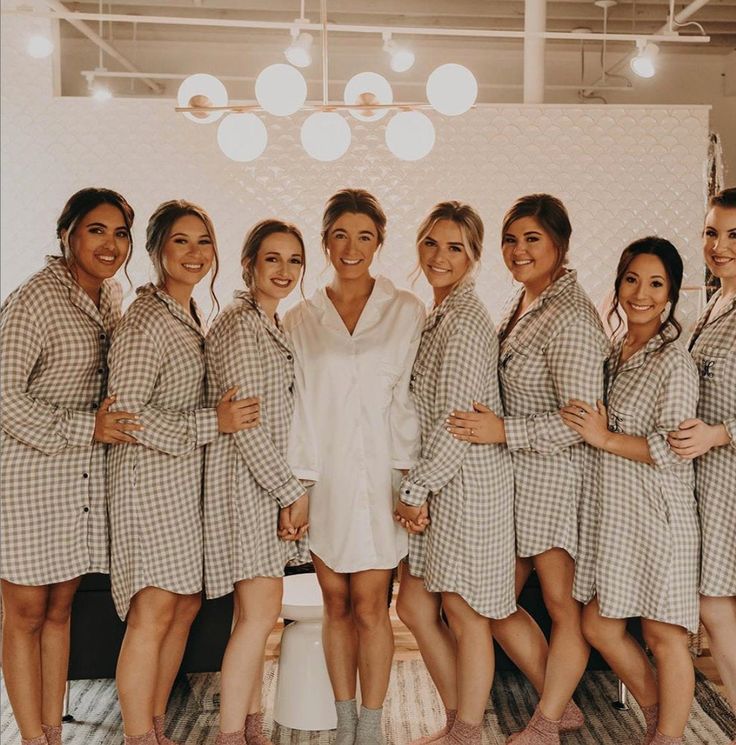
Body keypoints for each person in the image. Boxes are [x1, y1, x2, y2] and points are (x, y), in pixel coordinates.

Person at [447, 194, 609, 744]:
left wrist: (504, 430)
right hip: (518, 482)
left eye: (532, 239)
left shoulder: (569, 315)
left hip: (559, 481)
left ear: (560, 245)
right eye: (511, 239)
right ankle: (559, 706)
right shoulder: (525, 302)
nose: (518, 250)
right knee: (493, 602)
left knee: (563, 606)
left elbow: (581, 421)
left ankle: (546, 723)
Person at [107, 200, 258, 745]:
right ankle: (137, 735)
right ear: (154, 250)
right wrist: (210, 422)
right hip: (147, 485)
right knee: (152, 611)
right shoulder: (146, 320)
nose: (194, 254)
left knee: (184, 604)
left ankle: (153, 726)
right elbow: (124, 416)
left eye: (203, 242)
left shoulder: (187, 314)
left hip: (182, 486)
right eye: (180, 242)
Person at [285, 188, 425, 745]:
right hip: (324, 480)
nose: (351, 246)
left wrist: (412, 483)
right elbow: (296, 406)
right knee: (335, 602)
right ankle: (344, 725)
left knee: (373, 605)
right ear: (324, 241)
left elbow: (410, 400)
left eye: (364, 236)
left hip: (382, 479)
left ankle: (371, 725)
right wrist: (298, 486)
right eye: (340, 235)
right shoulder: (300, 317)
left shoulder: (406, 310)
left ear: (379, 243)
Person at [1, 187, 138, 745]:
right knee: (26, 611)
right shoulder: (35, 300)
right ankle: (31, 738)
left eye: (121, 232)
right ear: (68, 235)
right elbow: (5, 395)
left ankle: (53, 731)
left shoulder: (107, 301)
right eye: (97, 230)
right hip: (29, 475)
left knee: (60, 610)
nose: (110, 244)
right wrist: (87, 426)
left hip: (80, 479)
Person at [562, 237, 700, 745]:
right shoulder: (614, 351)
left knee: (664, 637)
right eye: (632, 279)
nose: (641, 292)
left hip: (659, 517)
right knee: (599, 625)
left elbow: (674, 446)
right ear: (619, 284)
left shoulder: (674, 362)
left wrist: (603, 438)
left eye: (656, 283)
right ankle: (659, 714)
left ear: (670, 295)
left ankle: (667, 737)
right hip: (616, 516)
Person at [393, 201, 516, 745]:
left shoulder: (465, 323)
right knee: (415, 605)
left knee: (466, 616)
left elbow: (458, 424)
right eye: (432, 243)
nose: (441, 256)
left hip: (465, 485)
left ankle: (465, 730)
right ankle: (462, 719)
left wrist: (415, 490)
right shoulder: (436, 313)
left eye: (456, 248)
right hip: (438, 482)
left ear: (473, 257)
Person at [204, 219, 311, 745]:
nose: (284, 270)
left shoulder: (269, 323)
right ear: (249, 264)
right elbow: (245, 425)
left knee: (250, 616)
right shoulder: (240, 327)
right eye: (273, 258)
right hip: (246, 486)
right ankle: (232, 735)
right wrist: (291, 493)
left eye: (294, 260)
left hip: (257, 484)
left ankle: (248, 726)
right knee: (260, 614)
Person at [668, 187, 736, 717]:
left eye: (734, 235)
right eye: (711, 232)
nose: (719, 245)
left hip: (729, 479)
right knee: (715, 609)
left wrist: (719, 434)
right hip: (708, 485)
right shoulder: (715, 301)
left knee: (716, 609)